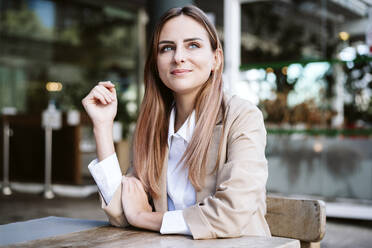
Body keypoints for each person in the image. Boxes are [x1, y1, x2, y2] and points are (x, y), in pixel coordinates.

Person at [82, 5, 271, 239]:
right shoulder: (153, 126)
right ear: (156, 63)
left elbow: (229, 215)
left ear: (216, 59)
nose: (178, 57)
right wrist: (102, 126)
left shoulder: (242, 116)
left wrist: (143, 218)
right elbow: (121, 214)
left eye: (193, 45)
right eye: (167, 48)